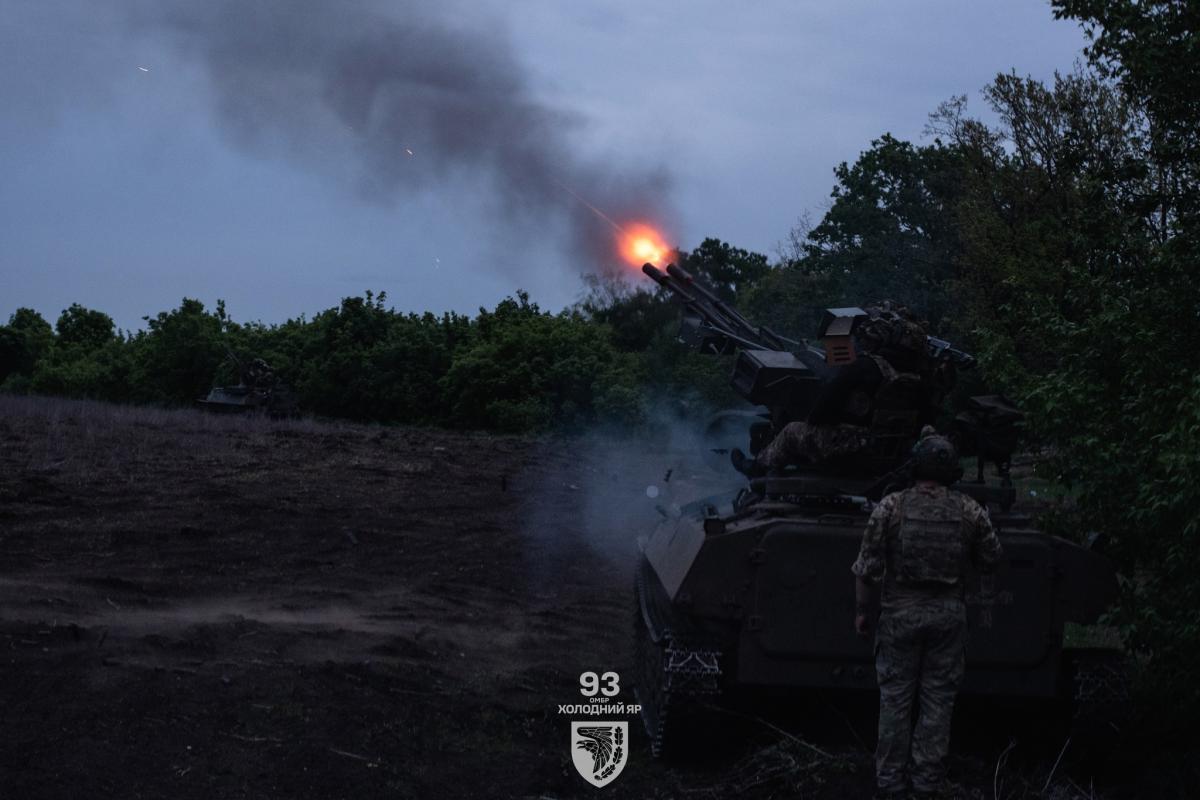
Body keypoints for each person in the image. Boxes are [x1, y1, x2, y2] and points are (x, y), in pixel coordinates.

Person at [851, 429, 1003, 800]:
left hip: (900, 615)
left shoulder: (891, 506)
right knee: (938, 702)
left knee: (895, 700)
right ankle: (926, 783)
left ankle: (890, 782)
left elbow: (867, 570)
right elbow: (991, 559)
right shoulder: (969, 509)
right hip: (948, 616)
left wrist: (862, 612)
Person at [732, 301, 935, 474]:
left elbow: (820, 413)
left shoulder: (865, 366)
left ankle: (757, 467)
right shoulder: (918, 380)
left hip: (852, 448)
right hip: (891, 452)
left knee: (792, 431)